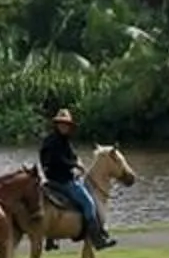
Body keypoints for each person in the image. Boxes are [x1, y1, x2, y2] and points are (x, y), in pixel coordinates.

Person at [39, 107, 116, 250]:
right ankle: (97, 239)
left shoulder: (56, 140)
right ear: (57, 124)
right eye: (62, 123)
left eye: (66, 124)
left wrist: (76, 162)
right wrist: (76, 165)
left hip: (52, 180)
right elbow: (60, 160)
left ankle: (52, 238)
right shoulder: (56, 142)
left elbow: (69, 156)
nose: (64, 126)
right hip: (64, 181)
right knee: (89, 203)